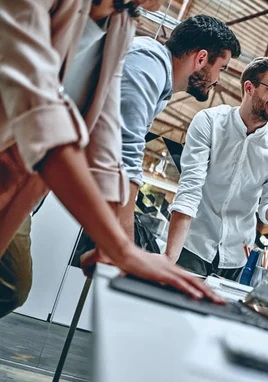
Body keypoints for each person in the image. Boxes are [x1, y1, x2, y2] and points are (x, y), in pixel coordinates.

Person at [0, 0, 220, 312]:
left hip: (18, 180)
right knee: (12, 285)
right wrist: (121, 247)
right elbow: (38, 110)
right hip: (14, 161)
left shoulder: (121, 24)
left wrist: (114, 243)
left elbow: (105, 139)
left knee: (11, 288)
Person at [164, 57, 268, 280]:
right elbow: (190, 188)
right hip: (192, 244)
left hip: (236, 256)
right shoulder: (210, 121)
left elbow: (267, 214)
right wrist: (169, 257)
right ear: (249, 87)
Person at [117, 14, 241, 240]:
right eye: (221, 68)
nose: (218, 80)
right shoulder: (149, 62)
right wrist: (123, 244)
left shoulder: (161, 86)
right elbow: (126, 155)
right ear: (202, 58)